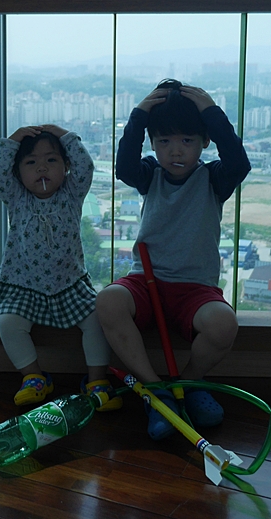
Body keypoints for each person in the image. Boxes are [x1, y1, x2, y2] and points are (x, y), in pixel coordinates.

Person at [96, 80, 250, 439]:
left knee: (224, 324)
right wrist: (139, 116)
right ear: (152, 143)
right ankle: (155, 391)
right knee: (108, 300)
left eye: (187, 141)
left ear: (205, 141)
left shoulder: (212, 178)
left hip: (194, 289)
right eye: (164, 141)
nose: (175, 151)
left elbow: (238, 163)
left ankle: (189, 383)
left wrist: (212, 112)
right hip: (145, 282)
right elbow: (124, 167)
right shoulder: (150, 174)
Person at [0, 124, 121, 411]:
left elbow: (86, 167)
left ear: (66, 167)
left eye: (51, 160)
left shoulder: (72, 194)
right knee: (7, 324)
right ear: (18, 172)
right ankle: (34, 377)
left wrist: (65, 135)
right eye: (31, 162)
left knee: (97, 321)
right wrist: (12, 141)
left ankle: (97, 380)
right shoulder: (16, 198)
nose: (42, 168)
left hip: (69, 284)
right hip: (23, 286)